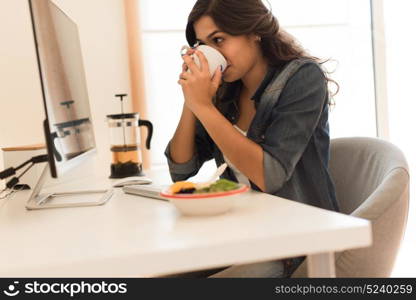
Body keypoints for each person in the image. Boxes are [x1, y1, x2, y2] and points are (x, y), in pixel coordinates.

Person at [164, 0, 340, 278]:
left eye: (219, 39)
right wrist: (192, 98)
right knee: (163, 274)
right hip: (241, 235)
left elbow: (269, 175)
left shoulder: (303, 78)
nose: (211, 53)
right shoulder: (225, 90)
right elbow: (181, 170)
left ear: (253, 32)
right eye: (203, 44)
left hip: (294, 245)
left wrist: (205, 107)